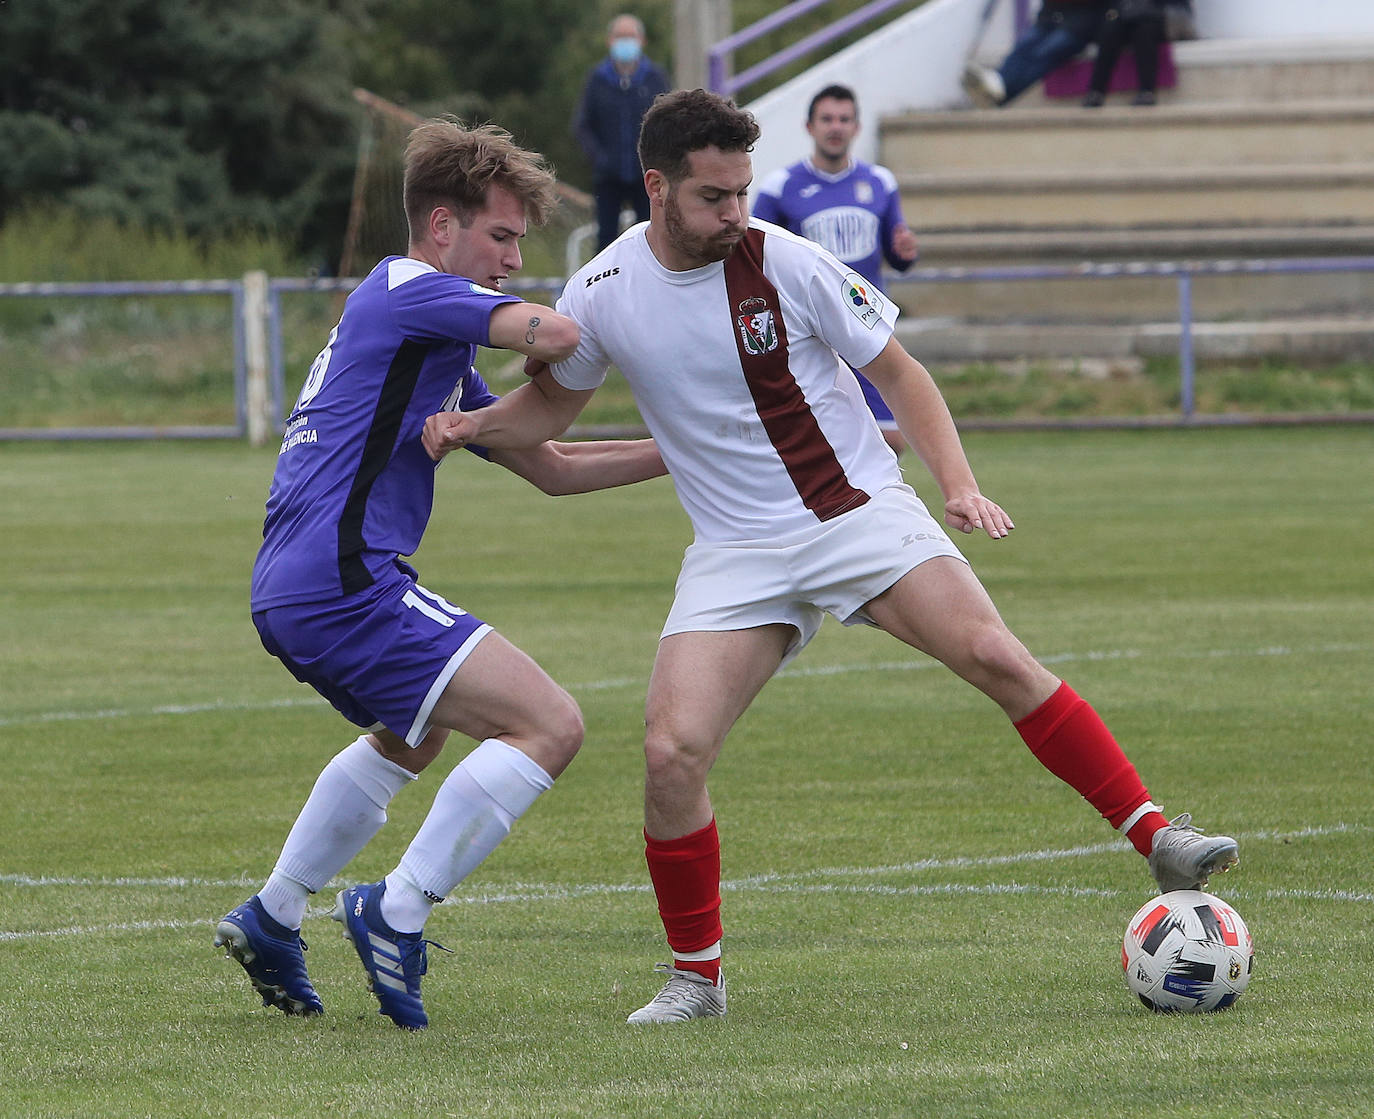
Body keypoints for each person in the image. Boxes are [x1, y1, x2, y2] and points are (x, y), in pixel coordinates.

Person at [421, 89, 1240, 1026]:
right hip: (735, 550)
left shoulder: (789, 263)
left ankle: (1156, 835)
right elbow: (549, 417)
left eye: (743, 191)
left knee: (995, 657)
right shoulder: (602, 292)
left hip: (852, 513)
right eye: (714, 196)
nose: (736, 213)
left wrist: (957, 484)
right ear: (656, 188)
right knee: (669, 751)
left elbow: (901, 373)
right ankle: (697, 980)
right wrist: (472, 423)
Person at [213, 117, 666, 1031]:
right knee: (550, 723)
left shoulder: (428, 339)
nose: (508, 260)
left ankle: (273, 913)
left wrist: (693, 450)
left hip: (298, 583)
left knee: (414, 735)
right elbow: (563, 329)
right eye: (500, 238)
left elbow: (553, 465)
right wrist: (555, 336)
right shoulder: (410, 288)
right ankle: (399, 906)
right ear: (442, 225)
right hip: (343, 580)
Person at [752, 84, 919, 454]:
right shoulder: (781, 187)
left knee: (892, 439)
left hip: (864, 323)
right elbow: (752, 254)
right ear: (809, 127)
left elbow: (899, 255)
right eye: (827, 119)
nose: (836, 127)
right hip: (808, 331)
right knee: (811, 438)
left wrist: (905, 251)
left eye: (844, 119)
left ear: (856, 127)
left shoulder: (879, 182)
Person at [572, 13, 671, 251]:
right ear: (609, 41)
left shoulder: (655, 77)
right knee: (605, 240)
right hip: (608, 177)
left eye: (630, 37)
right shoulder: (598, 78)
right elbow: (583, 124)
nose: (625, 43)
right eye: (620, 37)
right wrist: (600, 158)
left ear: (642, 41)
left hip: (646, 174)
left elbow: (668, 120)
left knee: (651, 235)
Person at [963, 0, 1105, 108]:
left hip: (1080, 26)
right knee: (1024, 46)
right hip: (1051, 18)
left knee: (1046, 51)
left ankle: (1000, 94)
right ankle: (998, 82)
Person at [1083, 0, 1168, 107]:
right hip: (1119, 14)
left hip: (1150, 15)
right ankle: (1096, 92)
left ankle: (1147, 92)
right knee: (1109, 32)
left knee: (1145, 34)